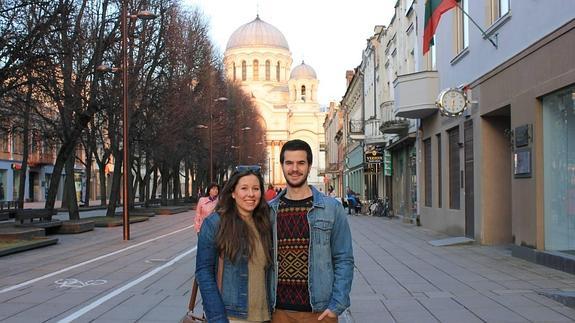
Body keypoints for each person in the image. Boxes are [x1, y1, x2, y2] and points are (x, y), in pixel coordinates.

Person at [268, 139, 354, 322]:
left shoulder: (331, 209)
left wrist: (336, 306)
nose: (294, 169)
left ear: (309, 165)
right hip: (278, 312)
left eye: (301, 163)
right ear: (282, 165)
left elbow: (344, 259)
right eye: (289, 163)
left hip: (320, 312)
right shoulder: (269, 211)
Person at [195, 165, 273, 323]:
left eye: (256, 188)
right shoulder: (215, 223)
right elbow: (204, 273)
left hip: (265, 316)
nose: (251, 194)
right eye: (244, 188)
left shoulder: (266, 222)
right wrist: (217, 318)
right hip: (232, 317)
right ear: (233, 192)